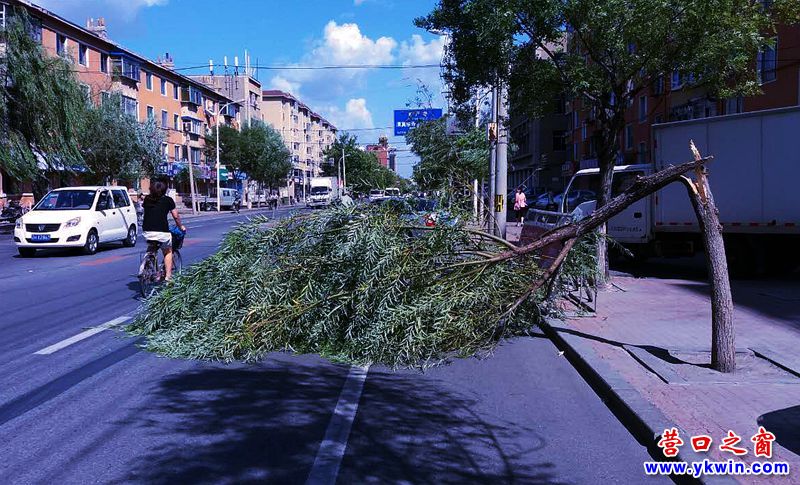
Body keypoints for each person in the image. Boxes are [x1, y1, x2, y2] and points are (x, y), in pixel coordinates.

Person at [142, 181, 186, 281]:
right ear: (164, 190)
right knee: (168, 251)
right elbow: (176, 216)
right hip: (162, 231)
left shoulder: (147, 199)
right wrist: (180, 226)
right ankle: (168, 277)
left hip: (147, 231)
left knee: (152, 245)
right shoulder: (168, 200)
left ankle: (147, 262)